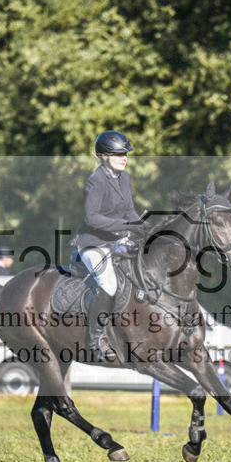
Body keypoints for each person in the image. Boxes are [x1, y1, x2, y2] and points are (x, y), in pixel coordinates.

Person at [75, 130, 144, 360]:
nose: (124, 157)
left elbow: (130, 211)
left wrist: (144, 227)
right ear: (104, 156)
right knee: (110, 284)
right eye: (118, 154)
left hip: (115, 241)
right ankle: (95, 341)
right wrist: (124, 225)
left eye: (125, 153)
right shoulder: (96, 180)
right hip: (92, 244)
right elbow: (91, 218)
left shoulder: (124, 177)